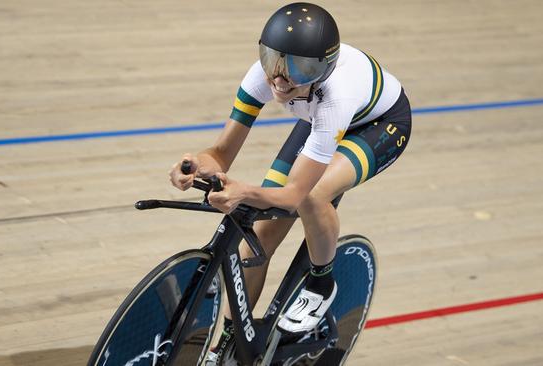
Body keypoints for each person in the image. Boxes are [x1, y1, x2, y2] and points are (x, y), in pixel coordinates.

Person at [169, 2, 411, 363]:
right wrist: (195, 165)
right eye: (274, 61)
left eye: (299, 67)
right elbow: (221, 152)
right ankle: (230, 347)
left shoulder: (336, 96)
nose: (280, 79)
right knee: (255, 246)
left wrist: (244, 192)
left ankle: (321, 281)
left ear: (323, 68)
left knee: (313, 196)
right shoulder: (262, 76)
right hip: (319, 123)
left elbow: (293, 195)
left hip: (378, 126)